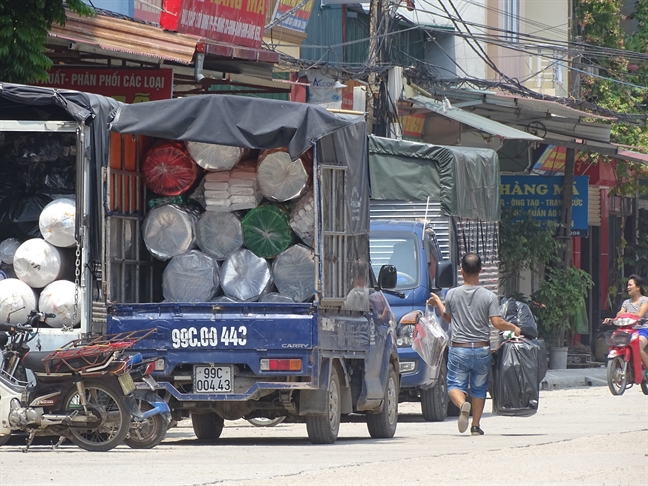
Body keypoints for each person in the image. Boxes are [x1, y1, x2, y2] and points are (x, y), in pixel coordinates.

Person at [427, 253, 520, 436]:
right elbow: (496, 322)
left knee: (454, 385)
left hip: (459, 348)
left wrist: (438, 302)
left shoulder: (452, 294)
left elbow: (447, 317)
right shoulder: (489, 296)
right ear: (480, 271)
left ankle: (463, 406)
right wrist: (513, 327)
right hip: (481, 349)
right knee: (479, 387)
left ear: (461, 271)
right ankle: (475, 426)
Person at [604, 274, 648, 380]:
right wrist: (613, 319)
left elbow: (639, 314)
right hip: (628, 330)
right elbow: (620, 313)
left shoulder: (645, 300)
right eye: (627, 285)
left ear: (638, 287)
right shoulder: (626, 303)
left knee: (638, 346)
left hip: (643, 329)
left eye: (630, 285)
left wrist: (629, 316)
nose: (628, 287)